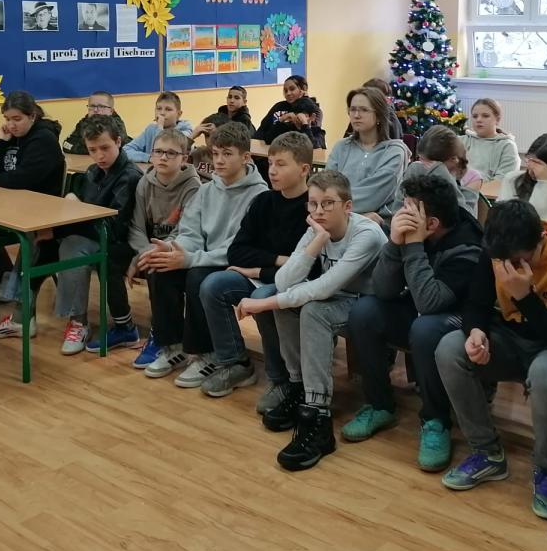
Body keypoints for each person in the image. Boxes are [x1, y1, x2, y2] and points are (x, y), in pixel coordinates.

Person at [435, 200, 547, 521]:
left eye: (521, 260)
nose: (511, 267)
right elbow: (476, 303)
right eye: (503, 260)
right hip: (508, 342)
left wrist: (524, 297)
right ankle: (487, 452)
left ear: (541, 239)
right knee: (450, 348)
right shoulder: (496, 251)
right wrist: (476, 331)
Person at [238, 169, 388, 472]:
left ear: (347, 206)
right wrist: (316, 242)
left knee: (313, 310)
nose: (318, 211)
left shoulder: (366, 235)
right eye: (313, 203)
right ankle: (299, 387)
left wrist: (262, 303)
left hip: (371, 305)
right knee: (287, 302)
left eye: (328, 203)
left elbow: (324, 288)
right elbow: (283, 281)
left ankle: (318, 416)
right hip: (341, 298)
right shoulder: (317, 228)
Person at [342, 174, 483, 472]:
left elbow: (430, 303)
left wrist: (414, 245)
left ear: (431, 223)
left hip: (460, 320)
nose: (400, 214)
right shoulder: (412, 232)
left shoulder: (468, 246)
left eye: (409, 209)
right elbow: (382, 290)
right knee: (364, 311)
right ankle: (380, 405)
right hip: (421, 306)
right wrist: (395, 244)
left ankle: (435, 420)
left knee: (425, 329)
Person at [136, 123, 267, 384]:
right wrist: (173, 250)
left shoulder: (259, 196)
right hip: (201, 258)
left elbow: (236, 249)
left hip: (235, 264)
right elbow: (190, 231)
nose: (219, 160)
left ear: (245, 157)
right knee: (159, 267)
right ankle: (173, 346)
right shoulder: (207, 189)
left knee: (198, 277)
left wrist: (190, 259)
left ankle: (206, 353)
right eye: (215, 153)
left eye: (227, 154)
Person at [196, 131, 313, 400]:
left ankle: (281, 379)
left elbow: (306, 268)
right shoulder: (263, 201)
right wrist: (278, 259)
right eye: (270, 163)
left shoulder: (312, 207)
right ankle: (235, 363)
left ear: (304, 169)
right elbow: (237, 252)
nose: (272, 170)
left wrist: (258, 269)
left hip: (293, 283)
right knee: (213, 285)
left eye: (281, 164)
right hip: (264, 275)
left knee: (262, 296)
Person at [14, 115, 143, 353]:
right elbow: (84, 213)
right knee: (34, 240)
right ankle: (21, 315)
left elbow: (112, 228)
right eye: (93, 150)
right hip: (93, 233)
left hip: (120, 242)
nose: (99, 156)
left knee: (72, 246)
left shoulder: (130, 176)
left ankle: (78, 322)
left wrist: (62, 226)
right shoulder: (93, 171)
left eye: (105, 148)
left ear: (119, 141)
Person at [0, 90, 68, 338]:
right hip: (12, 211)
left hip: (42, 216)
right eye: (7, 119)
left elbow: (22, 179)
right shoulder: (10, 137)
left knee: (33, 246)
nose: (11, 125)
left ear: (32, 116)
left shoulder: (43, 139)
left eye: (17, 119)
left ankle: (21, 319)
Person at [127, 128, 202, 368]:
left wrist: (153, 254)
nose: (163, 157)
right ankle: (125, 326)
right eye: (158, 151)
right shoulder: (144, 182)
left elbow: (185, 231)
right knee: (118, 257)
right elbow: (136, 226)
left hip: (178, 249)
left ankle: (166, 339)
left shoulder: (193, 187)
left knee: (158, 269)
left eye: (171, 153)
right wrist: (143, 253)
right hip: (150, 248)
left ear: (184, 159)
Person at [325, 86, 411, 223]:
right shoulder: (341, 147)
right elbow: (325, 186)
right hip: (335, 219)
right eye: (352, 109)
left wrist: (332, 206)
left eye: (364, 110)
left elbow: (375, 194)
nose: (356, 115)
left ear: (379, 115)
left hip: (375, 226)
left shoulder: (394, 152)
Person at [391, 124, 482, 218]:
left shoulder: (470, 177)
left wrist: (442, 174)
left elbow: (465, 217)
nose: (424, 168)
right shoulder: (417, 169)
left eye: (431, 165)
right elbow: (397, 211)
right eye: (421, 160)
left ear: (453, 159)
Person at [254, 74, 326, 148]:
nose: (288, 93)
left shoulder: (313, 110)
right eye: (285, 91)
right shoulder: (278, 107)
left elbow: (313, 142)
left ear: (303, 89)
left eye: (292, 89)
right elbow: (262, 132)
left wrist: (304, 99)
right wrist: (282, 120)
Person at [123, 91, 195, 162]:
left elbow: (164, 151)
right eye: (159, 108)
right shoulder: (151, 129)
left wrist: (160, 127)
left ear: (179, 114)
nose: (162, 113)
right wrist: (148, 158)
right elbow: (125, 150)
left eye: (168, 109)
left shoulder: (185, 130)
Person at [459, 97, 520, 181]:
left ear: (497, 120)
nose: (478, 120)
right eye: (475, 116)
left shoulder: (507, 146)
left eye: (485, 116)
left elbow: (502, 181)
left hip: (486, 189)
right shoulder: (461, 141)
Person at [63, 91, 130, 154]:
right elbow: (66, 144)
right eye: (92, 106)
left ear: (111, 111)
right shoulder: (84, 122)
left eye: (101, 106)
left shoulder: (116, 124)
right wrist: (93, 148)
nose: (95, 110)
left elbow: (114, 146)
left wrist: (90, 147)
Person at [191, 85, 256, 140]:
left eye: (236, 98)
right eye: (230, 97)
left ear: (244, 102)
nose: (232, 100)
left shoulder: (245, 120)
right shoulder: (221, 113)